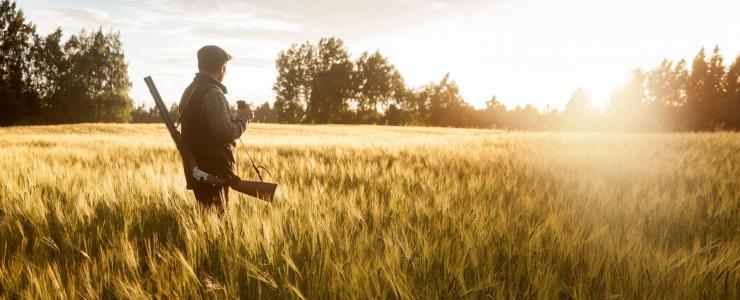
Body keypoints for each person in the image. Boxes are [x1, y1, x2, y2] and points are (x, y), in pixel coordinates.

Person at [179, 45, 253, 212]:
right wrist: (244, 118)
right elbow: (226, 133)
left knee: (206, 221)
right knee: (217, 225)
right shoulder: (213, 93)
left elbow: (204, 126)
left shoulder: (190, 90)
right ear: (222, 67)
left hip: (198, 171)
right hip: (214, 173)